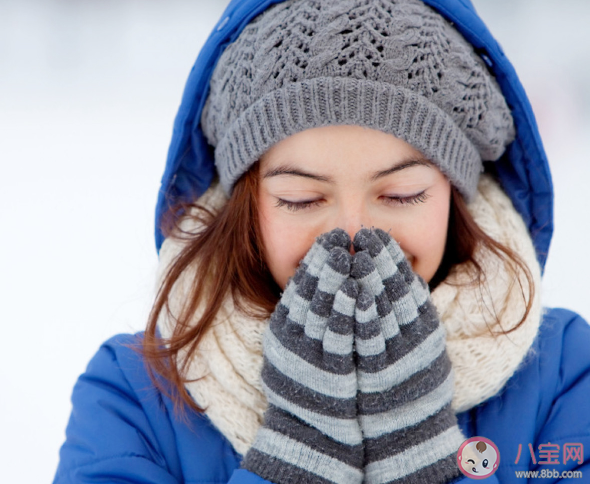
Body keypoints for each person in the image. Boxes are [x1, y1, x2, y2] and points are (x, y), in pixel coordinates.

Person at [53, 0, 590, 483]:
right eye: (302, 200)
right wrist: (296, 458)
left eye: (401, 194)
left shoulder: (564, 373)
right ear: (248, 205)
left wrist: (422, 453)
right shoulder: (134, 398)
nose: (354, 236)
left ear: (455, 193)